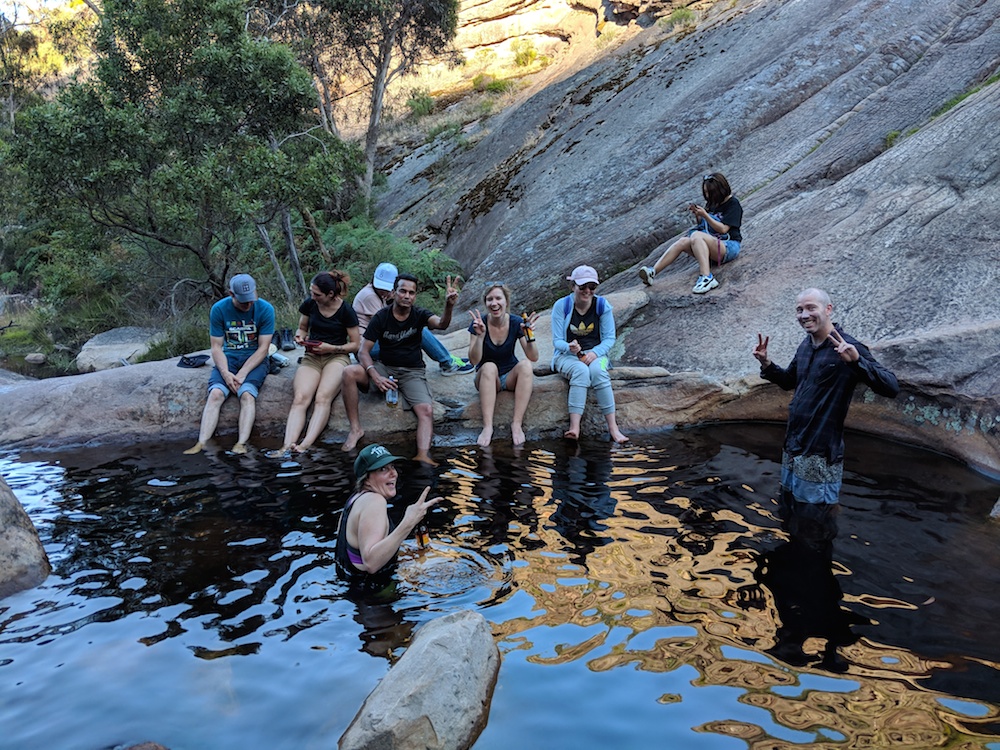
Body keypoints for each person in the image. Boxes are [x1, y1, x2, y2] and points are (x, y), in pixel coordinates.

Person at [752, 288, 899, 505]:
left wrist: (857, 361)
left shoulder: (848, 347)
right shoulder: (806, 346)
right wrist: (766, 363)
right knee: (789, 508)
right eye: (799, 310)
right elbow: (788, 382)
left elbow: (891, 387)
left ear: (828, 309)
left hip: (820, 453)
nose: (804, 315)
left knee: (816, 518)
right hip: (793, 446)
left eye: (811, 308)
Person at [341, 273, 461, 464]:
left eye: (411, 293)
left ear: (415, 296)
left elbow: (442, 324)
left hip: (412, 372)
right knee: (349, 372)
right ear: (394, 293)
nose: (407, 296)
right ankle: (355, 429)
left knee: (426, 410)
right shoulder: (381, 316)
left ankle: (423, 454)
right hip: (384, 367)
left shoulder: (419, 314)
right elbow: (363, 351)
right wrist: (375, 375)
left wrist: (449, 305)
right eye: (402, 291)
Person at [184, 273, 275, 455]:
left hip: (254, 359)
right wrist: (225, 372)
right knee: (216, 394)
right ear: (231, 294)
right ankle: (201, 442)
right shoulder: (219, 309)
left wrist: (242, 374)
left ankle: (241, 443)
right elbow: (216, 347)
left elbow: (263, 348)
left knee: (247, 394)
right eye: (243, 302)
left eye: (250, 300)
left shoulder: (265, 309)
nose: (248, 305)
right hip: (229, 357)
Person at [275, 270, 360, 454]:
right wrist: (300, 337)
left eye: (317, 294)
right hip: (312, 356)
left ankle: (305, 444)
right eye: (311, 293)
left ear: (330, 294)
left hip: (336, 356)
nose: (313, 297)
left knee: (322, 397)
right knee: (300, 398)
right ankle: (286, 446)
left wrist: (331, 348)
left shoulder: (346, 310)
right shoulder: (310, 304)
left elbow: (355, 344)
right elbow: (303, 327)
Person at [335, 444, 442, 581]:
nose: (394, 473)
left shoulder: (355, 500)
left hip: (350, 587)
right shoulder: (375, 501)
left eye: (392, 467)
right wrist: (408, 522)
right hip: (374, 594)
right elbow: (371, 564)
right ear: (366, 478)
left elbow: (354, 551)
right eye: (383, 469)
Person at [550, 265, 629, 443]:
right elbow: (557, 341)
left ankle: (613, 428)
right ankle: (574, 427)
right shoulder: (561, 306)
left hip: (598, 357)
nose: (587, 291)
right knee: (581, 371)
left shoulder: (602, 305)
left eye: (591, 287)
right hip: (566, 356)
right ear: (573, 287)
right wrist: (569, 347)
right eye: (583, 287)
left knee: (599, 372)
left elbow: (609, 338)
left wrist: (595, 353)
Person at [353, 262, 474, 376]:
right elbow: (386, 324)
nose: (384, 290)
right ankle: (447, 362)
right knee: (417, 330)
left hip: (376, 343)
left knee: (416, 327)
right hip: (367, 348)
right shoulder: (369, 296)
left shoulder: (377, 293)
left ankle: (447, 359)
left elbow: (441, 324)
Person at [638, 172, 743, 294]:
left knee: (696, 235)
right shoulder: (713, 204)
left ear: (720, 190)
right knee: (683, 241)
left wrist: (705, 215)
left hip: (728, 246)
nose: (708, 196)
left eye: (711, 193)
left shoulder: (733, 204)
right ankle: (653, 272)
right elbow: (705, 227)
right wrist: (699, 216)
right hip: (711, 247)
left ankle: (706, 277)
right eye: (706, 192)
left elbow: (723, 229)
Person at [467, 283, 539, 447]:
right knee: (489, 366)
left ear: (506, 301)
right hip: (486, 378)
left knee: (526, 365)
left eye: (498, 298)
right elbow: (474, 361)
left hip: (509, 377)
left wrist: (529, 335)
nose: (494, 303)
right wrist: (480, 336)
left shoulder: (516, 322)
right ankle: (487, 427)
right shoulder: (478, 324)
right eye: (489, 299)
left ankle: (516, 424)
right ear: (485, 303)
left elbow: (533, 356)